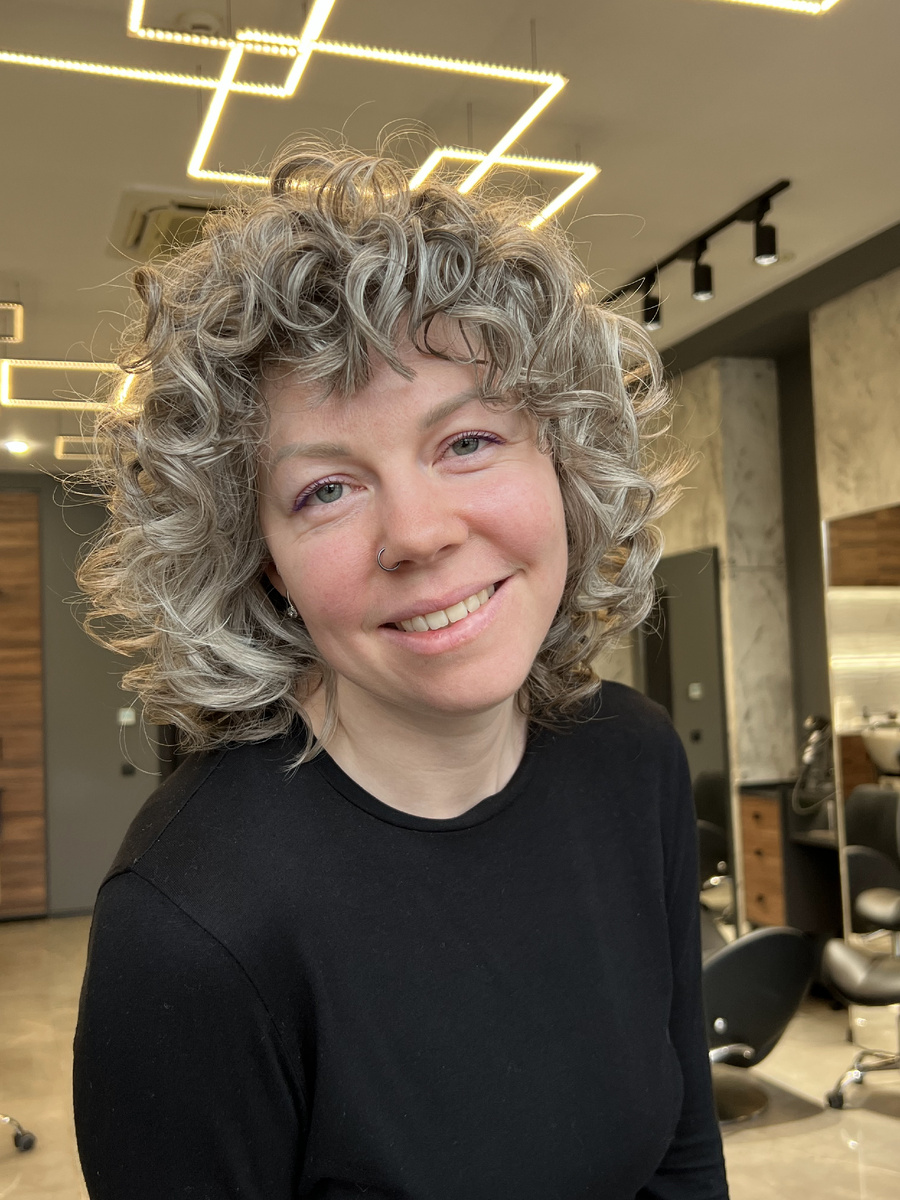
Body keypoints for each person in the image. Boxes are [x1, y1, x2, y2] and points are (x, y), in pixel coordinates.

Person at [72, 142, 729, 1199]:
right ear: (263, 561)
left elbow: (684, 1156)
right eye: (326, 491)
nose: (419, 533)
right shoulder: (190, 926)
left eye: (467, 441)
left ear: (564, 463)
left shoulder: (634, 760)